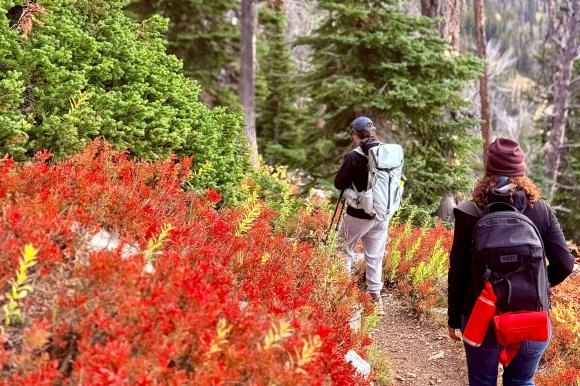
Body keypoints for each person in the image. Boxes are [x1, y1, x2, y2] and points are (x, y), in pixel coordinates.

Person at [447, 138, 574, 386]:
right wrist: (537, 285)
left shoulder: (469, 211)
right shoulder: (541, 210)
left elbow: (458, 271)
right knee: (521, 380)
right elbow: (566, 264)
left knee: (482, 381)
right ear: (521, 171)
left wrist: (454, 318)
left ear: (488, 171)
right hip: (531, 317)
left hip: (482, 318)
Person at [334, 116, 389, 316]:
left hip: (358, 214)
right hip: (381, 215)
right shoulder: (386, 153)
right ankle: (375, 299)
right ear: (372, 132)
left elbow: (339, 183)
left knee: (342, 250)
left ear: (355, 135)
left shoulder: (354, 156)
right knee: (374, 257)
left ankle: (342, 296)